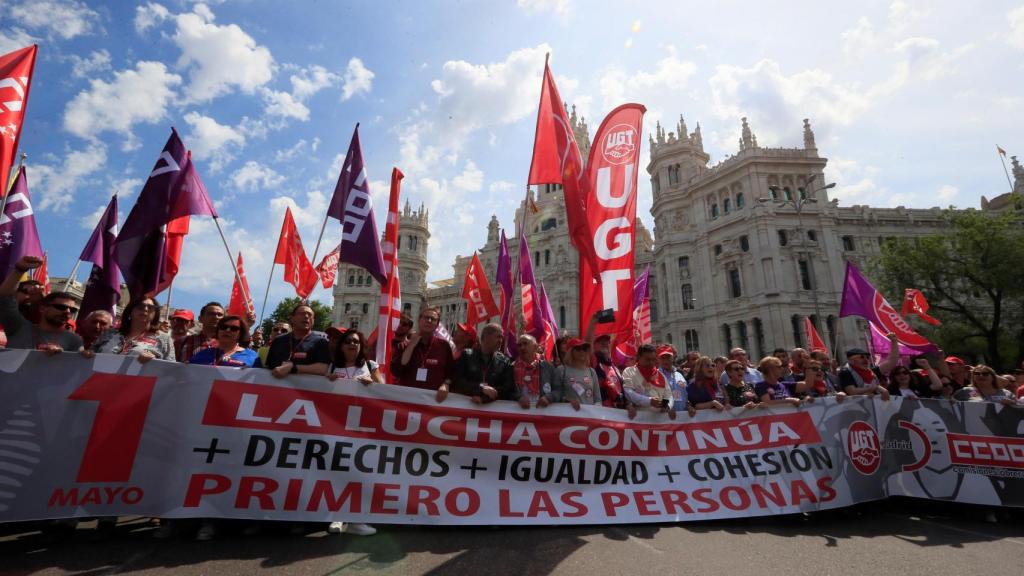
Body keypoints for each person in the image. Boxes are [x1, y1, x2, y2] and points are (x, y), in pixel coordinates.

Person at [0, 256, 83, 352]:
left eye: (72, 310)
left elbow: (77, 365)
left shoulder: (74, 340)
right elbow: (4, 297)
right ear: (43, 308)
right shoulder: (19, 327)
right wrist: (20, 269)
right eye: (60, 307)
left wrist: (61, 357)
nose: (67, 312)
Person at [440, 322, 512, 404]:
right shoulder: (467, 355)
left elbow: (507, 389)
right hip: (465, 408)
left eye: (501, 338)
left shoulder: (504, 361)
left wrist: (485, 399)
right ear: (485, 337)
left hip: (490, 412)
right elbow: (458, 381)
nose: (500, 341)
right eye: (498, 337)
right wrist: (481, 388)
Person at [90, 297, 175, 362]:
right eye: (140, 307)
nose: (145, 309)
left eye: (150, 307)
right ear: (130, 311)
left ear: (155, 314)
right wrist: (85, 354)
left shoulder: (164, 339)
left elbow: (170, 370)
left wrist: (154, 362)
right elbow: (90, 354)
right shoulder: (110, 333)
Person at [390, 306, 454, 391]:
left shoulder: (444, 346)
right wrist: (411, 346)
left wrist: (446, 385)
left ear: (437, 324)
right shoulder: (404, 345)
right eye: (426, 317)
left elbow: (451, 373)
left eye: (433, 319)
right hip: (407, 399)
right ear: (419, 320)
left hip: (433, 400)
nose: (429, 321)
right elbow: (396, 371)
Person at [264, 303, 330, 377]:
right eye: (302, 313)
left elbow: (322, 368)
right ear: (292, 318)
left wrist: (293, 368)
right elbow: (269, 367)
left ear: (313, 321)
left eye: (310, 315)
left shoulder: (321, 342)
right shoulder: (278, 340)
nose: (306, 316)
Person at [621, 344, 676, 419]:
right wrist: (649, 401)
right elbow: (628, 393)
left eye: (653, 359)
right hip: (638, 420)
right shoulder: (629, 371)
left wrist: (666, 405)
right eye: (647, 359)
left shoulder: (661, 376)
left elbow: (669, 395)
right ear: (639, 357)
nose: (651, 363)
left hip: (659, 421)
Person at [838, 336, 897, 401]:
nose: (866, 360)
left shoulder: (872, 372)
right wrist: (874, 388)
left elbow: (892, 362)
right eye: (862, 357)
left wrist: (894, 342)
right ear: (851, 360)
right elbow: (852, 391)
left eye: (867, 357)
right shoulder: (846, 372)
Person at [188, 316, 259, 367]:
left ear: (241, 333)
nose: (227, 330)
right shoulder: (203, 354)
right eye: (223, 327)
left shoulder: (252, 357)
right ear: (218, 331)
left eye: (234, 328)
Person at [511, 334, 557, 409]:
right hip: (519, 413)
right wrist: (519, 397)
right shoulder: (512, 367)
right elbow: (508, 390)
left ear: (535, 347)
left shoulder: (548, 367)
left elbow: (558, 390)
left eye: (525, 344)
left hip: (542, 413)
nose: (522, 347)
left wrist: (548, 397)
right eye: (519, 345)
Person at [555, 338, 602, 410]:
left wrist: (595, 410)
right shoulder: (562, 370)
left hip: (588, 418)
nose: (582, 351)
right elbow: (555, 394)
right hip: (568, 416)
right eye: (578, 348)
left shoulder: (592, 372)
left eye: (584, 349)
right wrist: (567, 400)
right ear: (570, 351)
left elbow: (598, 399)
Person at [657, 345, 695, 417]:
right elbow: (654, 396)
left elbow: (684, 394)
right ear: (658, 359)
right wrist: (667, 407)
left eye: (668, 357)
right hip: (665, 419)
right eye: (662, 358)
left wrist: (689, 406)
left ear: (673, 357)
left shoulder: (679, 375)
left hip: (682, 418)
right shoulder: (655, 375)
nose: (665, 361)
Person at [952, 365, 1018, 405]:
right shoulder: (964, 391)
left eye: (985, 374)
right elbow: (949, 404)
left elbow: (1018, 410)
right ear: (973, 377)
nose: (981, 375)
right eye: (977, 373)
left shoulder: (1007, 394)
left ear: (993, 377)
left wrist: (1012, 404)